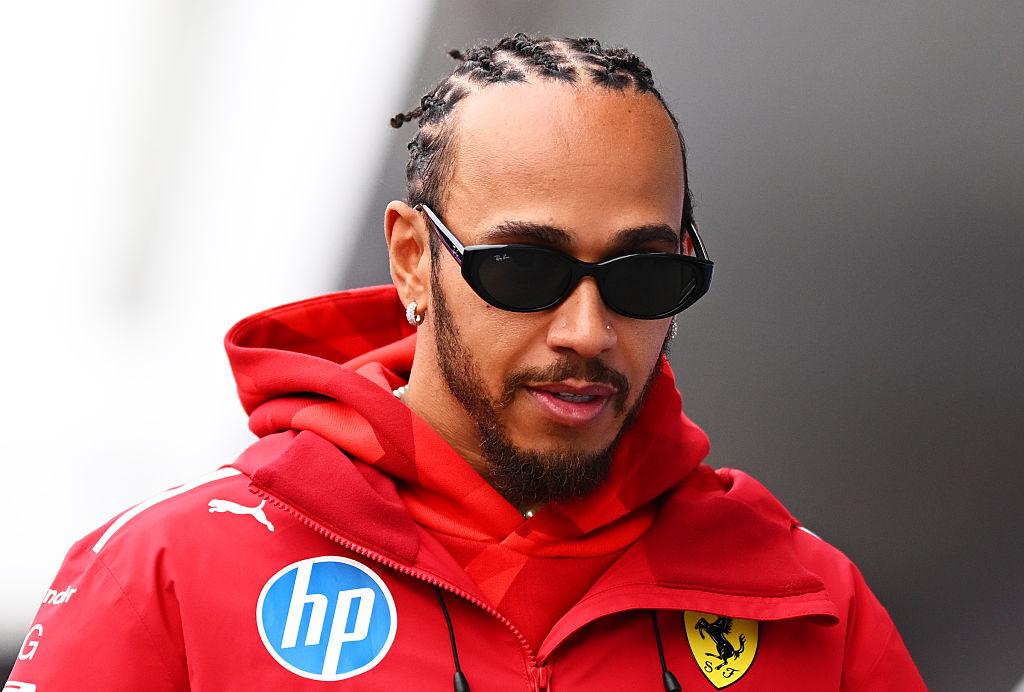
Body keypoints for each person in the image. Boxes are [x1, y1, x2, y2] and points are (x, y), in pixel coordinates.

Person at [7, 34, 925, 690]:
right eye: (525, 268)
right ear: (413, 258)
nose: (587, 330)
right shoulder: (170, 570)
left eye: (643, 275)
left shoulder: (809, 603)